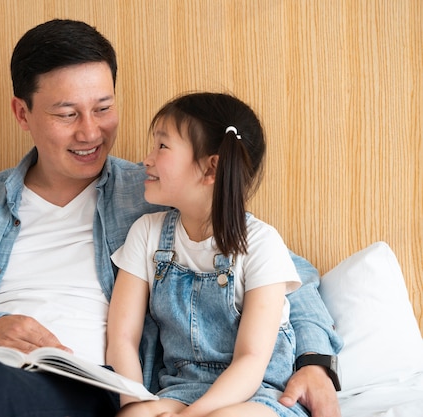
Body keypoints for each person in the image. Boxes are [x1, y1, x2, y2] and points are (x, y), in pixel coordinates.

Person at [0, 19, 342, 417]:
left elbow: (288, 276)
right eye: (66, 113)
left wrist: (316, 360)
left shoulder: (157, 193)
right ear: (23, 112)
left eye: (103, 107)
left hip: (78, 386)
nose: (91, 132)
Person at [107, 92, 309, 417]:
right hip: (180, 389)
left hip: (258, 395)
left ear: (211, 167)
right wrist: (135, 407)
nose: (146, 159)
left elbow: (251, 360)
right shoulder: (146, 234)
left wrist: (192, 416)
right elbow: (122, 338)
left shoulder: (261, 244)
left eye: (162, 146)